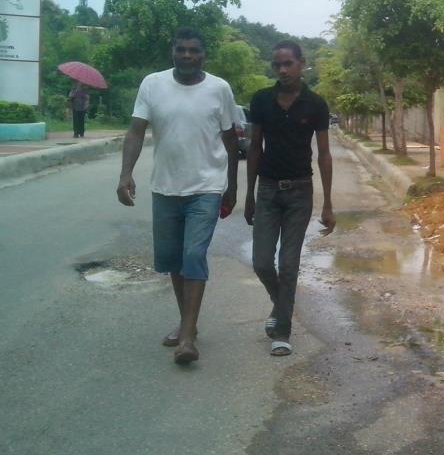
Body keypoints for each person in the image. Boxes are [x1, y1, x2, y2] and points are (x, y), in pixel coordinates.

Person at [116, 27, 240, 365]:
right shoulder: (152, 84)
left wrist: (232, 184)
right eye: (181, 49)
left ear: (204, 54)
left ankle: (187, 338)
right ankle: (190, 324)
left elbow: (230, 138)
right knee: (173, 260)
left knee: (193, 255)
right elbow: (136, 131)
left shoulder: (219, 89)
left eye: (194, 50)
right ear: (173, 51)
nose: (187, 55)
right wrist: (125, 174)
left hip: (206, 186)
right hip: (165, 188)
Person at [244, 40, 336, 357]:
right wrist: (249, 195)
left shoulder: (316, 104)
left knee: (288, 263)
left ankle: (282, 329)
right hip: (267, 190)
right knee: (260, 262)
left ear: (301, 64)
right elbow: (254, 147)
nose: (282, 70)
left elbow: (324, 155)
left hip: (300, 191)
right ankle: (281, 306)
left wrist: (328, 203)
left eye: (288, 64)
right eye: (277, 65)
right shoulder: (261, 101)